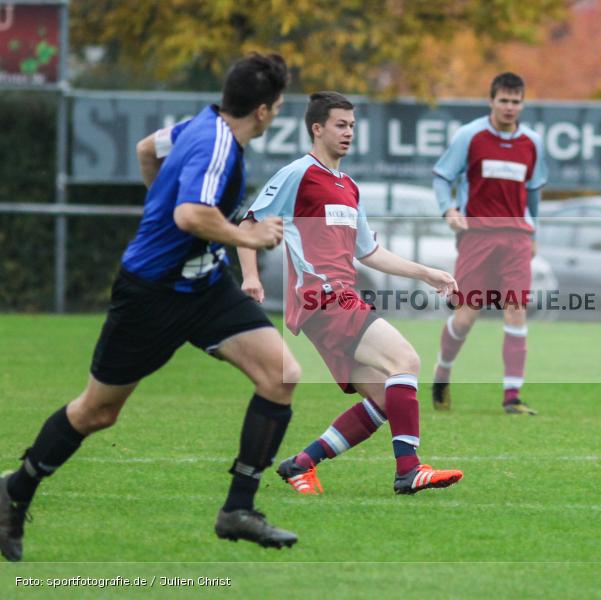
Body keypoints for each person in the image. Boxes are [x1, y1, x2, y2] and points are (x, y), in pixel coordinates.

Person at [0, 53, 300, 562]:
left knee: (282, 375)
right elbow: (189, 214)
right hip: (151, 294)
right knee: (97, 412)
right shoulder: (217, 146)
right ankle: (15, 490)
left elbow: (145, 150)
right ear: (266, 112)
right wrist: (246, 234)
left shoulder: (198, 124)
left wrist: (161, 205)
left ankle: (238, 510)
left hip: (205, 288)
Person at [237, 91, 464, 498]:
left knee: (381, 398)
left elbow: (370, 251)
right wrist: (250, 277)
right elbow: (248, 223)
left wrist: (426, 273)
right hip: (321, 297)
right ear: (317, 128)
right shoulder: (299, 173)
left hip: (336, 301)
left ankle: (300, 464)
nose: (348, 133)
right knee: (405, 360)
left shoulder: (348, 187)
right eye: (340, 125)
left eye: (352, 126)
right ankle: (408, 470)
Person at [430, 72, 548, 415]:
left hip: (516, 239)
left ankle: (512, 396)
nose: (510, 107)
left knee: (516, 308)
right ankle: (442, 372)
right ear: (491, 101)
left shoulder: (532, 143)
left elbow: (534, 192)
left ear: (522, 104)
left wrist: (534, 230)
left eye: (516, 101)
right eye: (504, 101)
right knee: (466, 316)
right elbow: (441, 177)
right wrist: (448, 209)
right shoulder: (470, 136)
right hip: (477, 237)